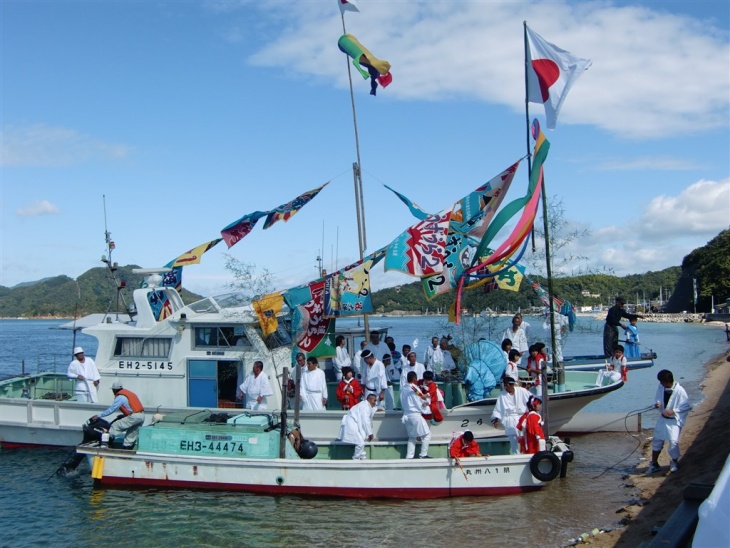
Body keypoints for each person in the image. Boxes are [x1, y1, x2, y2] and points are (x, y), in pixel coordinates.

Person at [646, 369, 690, 475]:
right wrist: (657, 403)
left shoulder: (680, 391)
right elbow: (658, 397)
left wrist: (673, 411)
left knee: (673, 442)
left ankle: (674, 461)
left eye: (662, 381)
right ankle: (654, 464)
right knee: (657, 440)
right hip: (663, 419)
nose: (660, 384)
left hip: (673, 421)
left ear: (667, 381)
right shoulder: (661, 387)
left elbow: (685, 406)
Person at [92, 382, 145, 449]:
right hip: (141, 416)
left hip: (134, 417)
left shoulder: (120, 397)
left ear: (114, 390)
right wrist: (124, 415)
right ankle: (126, 451)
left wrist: (99, 416)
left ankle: (105, 445)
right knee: (131, 435)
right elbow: (132, 408)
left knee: (114, 427)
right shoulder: (129, 394)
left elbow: (112, 409)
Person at [491, 376, 532, 454]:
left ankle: (526, 453)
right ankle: (516, 455)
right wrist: (495, 419)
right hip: (510, 419)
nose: (507, 387)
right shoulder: (502, 395)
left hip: (522, 418)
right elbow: (498, 408)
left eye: (510, 385)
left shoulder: (522, 391)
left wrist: (541, 399)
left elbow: (532, 398)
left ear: (513, 385)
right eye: (506, 385)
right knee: (513, 440)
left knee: (524, 437)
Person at [400, 371, 431, 459]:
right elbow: (419, 400)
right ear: (414, 379)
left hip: (406, 415)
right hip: (415, 415)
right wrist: (425, 403)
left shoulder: (403, 388)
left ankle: (409, 456)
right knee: (427, 435)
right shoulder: (414, 388)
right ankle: (423, 454)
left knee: (412, 437)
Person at [338, 393, 378, 460]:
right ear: (370, 399)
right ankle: (356, 459)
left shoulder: (365, 405)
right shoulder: (365, 406)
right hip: (351, 424)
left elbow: (371, 411)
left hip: (354, 424)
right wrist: (370, 433)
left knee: (361, 440)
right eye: (374, 400)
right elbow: (366, 420)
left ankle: (362, 457)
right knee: (360, 443)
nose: (375, 402)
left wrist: (376, 409)